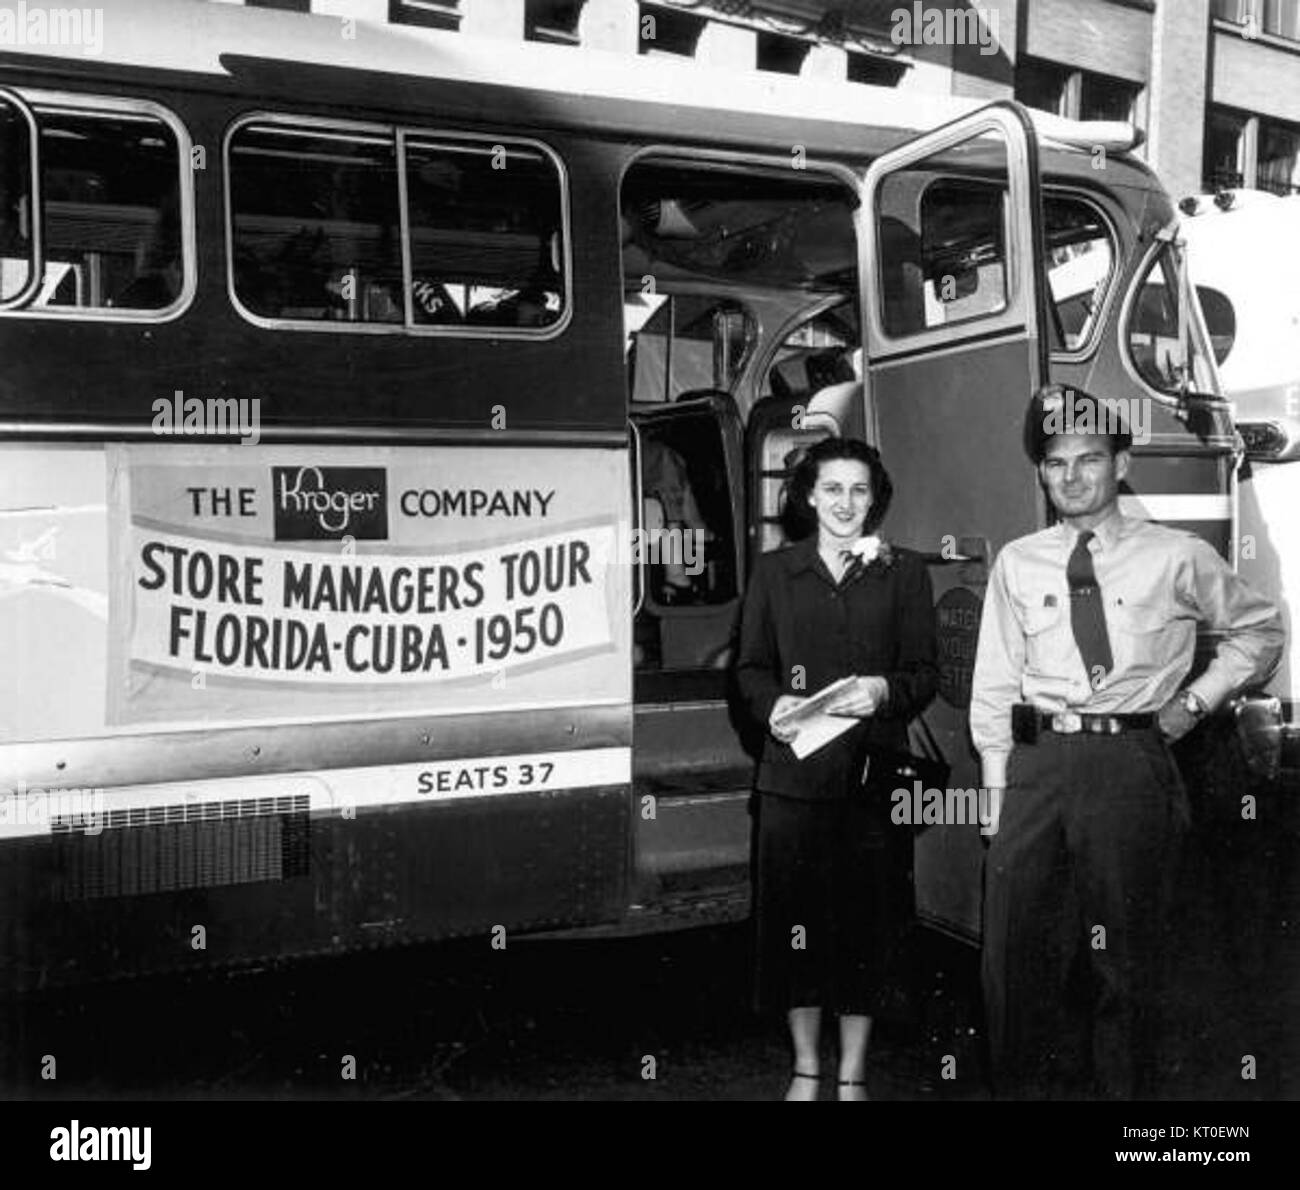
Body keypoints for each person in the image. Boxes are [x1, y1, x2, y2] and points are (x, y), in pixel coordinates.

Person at [970, 388, 1284, 1100]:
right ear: (1041, 475)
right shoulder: (1019, 562)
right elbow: (995, 680)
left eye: (1089, 459)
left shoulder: (1177, 556)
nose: (1072, 477)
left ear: (1121, 463)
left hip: (1131, 765)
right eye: (1055, 464)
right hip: (1035, 767)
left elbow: (1260, 631)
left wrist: (1192, 705)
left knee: (1131, 965)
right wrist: (994, 787)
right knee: (1013, 965)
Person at [735, 436, 938, 1101]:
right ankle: (804, 1068)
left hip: (872, 778)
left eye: (859, 490)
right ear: (808, 496)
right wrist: (774, 705)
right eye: (832, 489)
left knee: (867, 929)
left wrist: (884, 691)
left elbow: (923, 674)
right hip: (792, 779)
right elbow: (749, 670)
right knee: (795, 931)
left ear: (875, 497)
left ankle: (851, 1074)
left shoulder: (903, 571)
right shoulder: (774, 572)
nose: (845, 503)